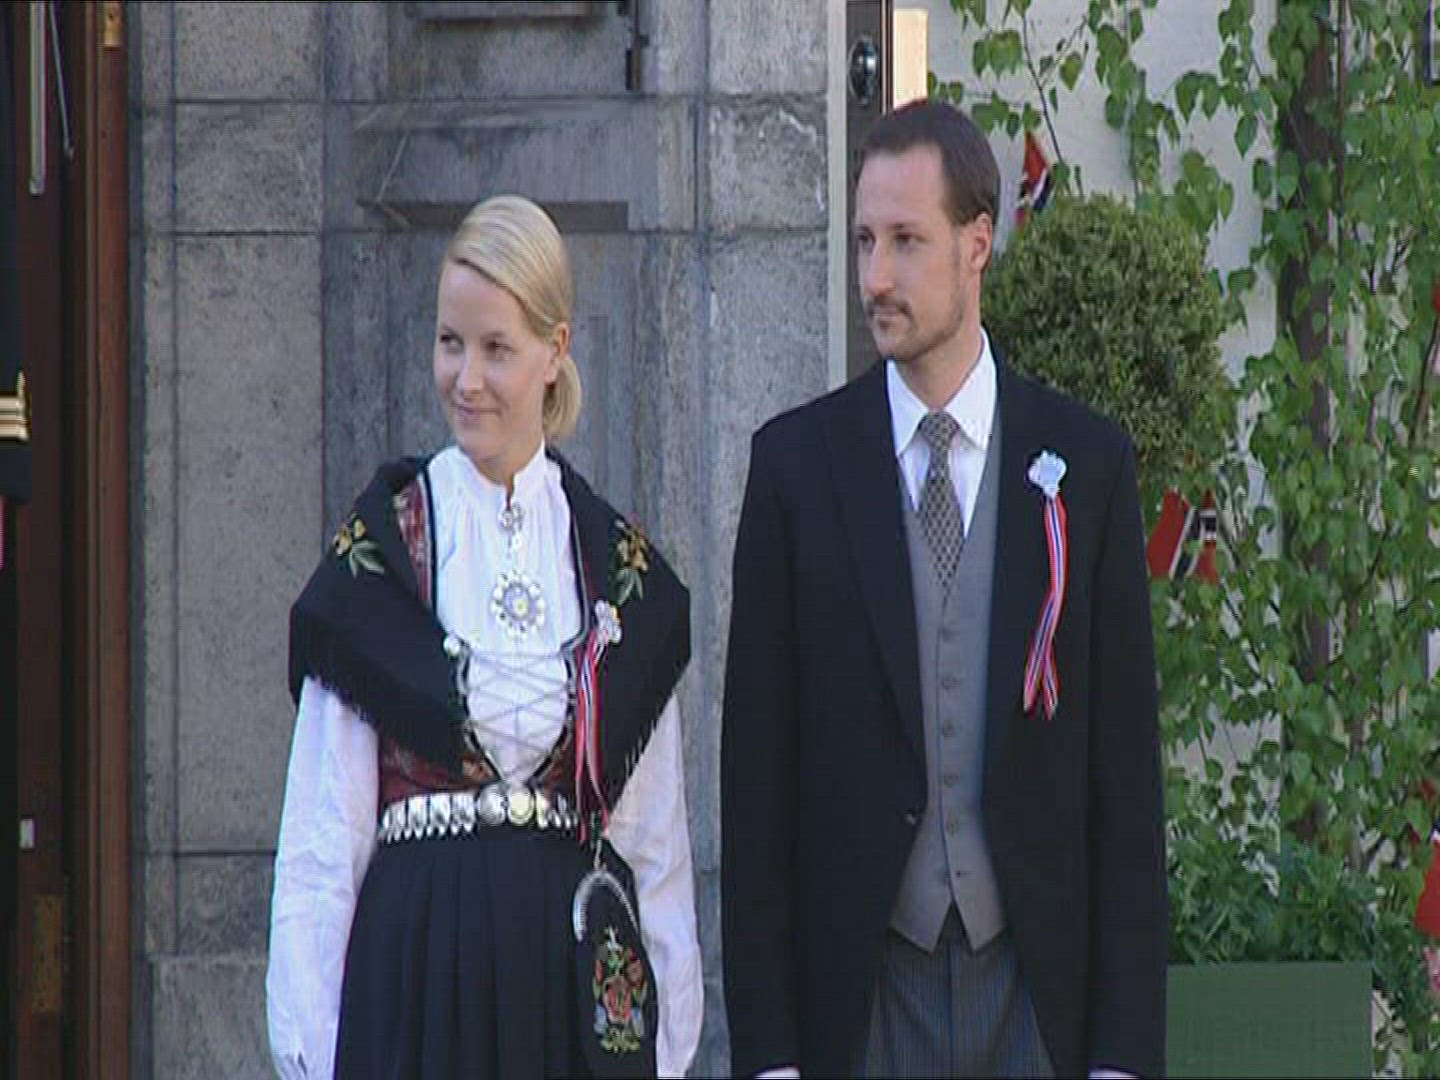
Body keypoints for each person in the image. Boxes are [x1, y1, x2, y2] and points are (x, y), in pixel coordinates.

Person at [721, 101, 1167, 1078]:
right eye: (864, 241)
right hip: (861, 997)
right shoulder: (795, 470)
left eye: (906, 241)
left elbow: (1126, 785)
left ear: (977, 245)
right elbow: (755, 791)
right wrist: (769, 1056)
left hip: (1037, 996)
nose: (876, 276)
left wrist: (1124, 1055)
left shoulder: (1085, 467)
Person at [267, 195, 702, 1079]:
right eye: (450, 342)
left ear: (556, 350)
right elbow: (324, 834)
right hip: (415, 977)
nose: (466, 379)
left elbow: (652, 840)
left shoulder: (617, 573)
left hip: (562, 986)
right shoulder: (381, 559)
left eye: (496, 348)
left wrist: (665, 1041)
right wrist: (310, 1044)